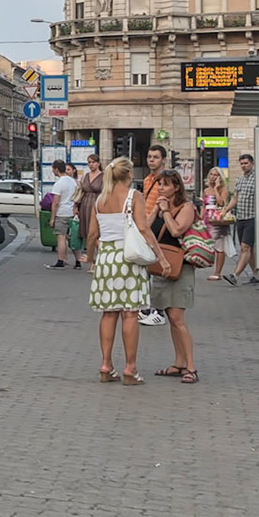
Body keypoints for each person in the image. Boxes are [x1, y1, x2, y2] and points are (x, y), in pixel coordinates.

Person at [88, 155, 156, 384]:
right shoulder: (134, 196)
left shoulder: (100, 200)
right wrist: (159, 255)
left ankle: (106, 365)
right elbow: (143, 228)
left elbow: (92, 234)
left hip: (106, 258)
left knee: (108, 313)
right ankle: (130, 368)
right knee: (130, 313)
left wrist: (91, 259)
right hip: (128, 257)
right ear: (129, 174)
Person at [147, 171, 199, 383]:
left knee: (178, 318)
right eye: (159, 184)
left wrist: (167, 211)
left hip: (180, 267)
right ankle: (179, 363)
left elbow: (177, 230)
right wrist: (156, 210)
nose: (161, 188)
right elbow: (146, 228)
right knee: (170, 317)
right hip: (162, 267)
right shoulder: (159, 206)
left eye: (166, 184)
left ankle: (191, 367)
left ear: (176, 187)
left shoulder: (187, 207)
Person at [137, 145, 171, 325]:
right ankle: (146, 308)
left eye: (156, 157)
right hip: (147, 224)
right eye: (149, 156)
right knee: (148, 268)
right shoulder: (147, 179)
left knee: (158, 269)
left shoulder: (166, 180)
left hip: (160, 223)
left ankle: (159, 311)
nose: (151, 160)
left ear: (163, 160)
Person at [225, 152, 259, 285]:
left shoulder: (257, 179)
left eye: (246, 163)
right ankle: (257, 275)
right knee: (249, 249)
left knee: (245, 247)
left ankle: (235, 275)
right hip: (241, 218)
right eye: (241, 164)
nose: (244, 166)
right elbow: (235, 198)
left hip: (252, 217)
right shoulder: (240, 180)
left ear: (252, 163)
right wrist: (225, 210)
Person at [46, 159, 79, 268]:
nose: (53, 171)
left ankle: (61, 261)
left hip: (62, 213)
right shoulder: (72, 181)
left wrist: (52, 218)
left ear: (56, 169)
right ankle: (78, 261)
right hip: (72, 212)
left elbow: (55, 202)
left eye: (53, 169)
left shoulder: (59, 183)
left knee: (61, 237)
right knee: (73, 238)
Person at [201, 166, 233, 282]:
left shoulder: (223, 189)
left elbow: (221, 203)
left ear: (220, 177)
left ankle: (217, 272)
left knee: (219, 246)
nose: (213, 177)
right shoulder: (205, 190)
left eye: (216, 175)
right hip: (207, 218)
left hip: (218, 219)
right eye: (211, 174)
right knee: (207, 244)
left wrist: (216, 189)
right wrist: (200, 219)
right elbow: (203, 206)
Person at [74, 150, 104, 269]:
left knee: (95, 234)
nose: (91, 164)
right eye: (89, 162)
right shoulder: (86, 176)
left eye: (93, 162)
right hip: (85, 205)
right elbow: (80, 191)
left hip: (97, 204)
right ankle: (93, 262)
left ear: (98, 163)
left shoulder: (103, 176)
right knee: (88, 234)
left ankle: (99, 260)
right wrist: (75, 206)